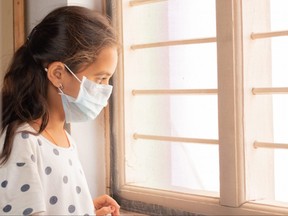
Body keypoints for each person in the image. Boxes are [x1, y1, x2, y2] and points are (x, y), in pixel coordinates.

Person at [0, 5, 120, 216]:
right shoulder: (23, 142)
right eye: (100, 78)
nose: (104, 91)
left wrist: (86, 208)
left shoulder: (65, 139)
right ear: (57, 74)